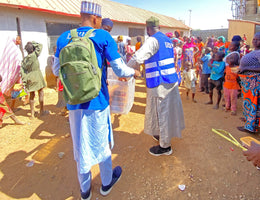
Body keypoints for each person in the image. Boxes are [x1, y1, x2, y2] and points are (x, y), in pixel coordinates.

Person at [53, 1, 140, 199]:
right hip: (97, 102)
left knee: (80, 145)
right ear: (95, 18)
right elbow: (119, 69)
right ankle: (106, 184)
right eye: (100, 19)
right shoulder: (102, 36)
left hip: (74, 104)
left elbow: (56, 70)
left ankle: (85, 191)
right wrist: (133, 72)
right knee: (102, 145)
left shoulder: (63, 38)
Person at [127, 16, 185, 156]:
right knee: (163, 111)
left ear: (148, 29)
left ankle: (165, 147)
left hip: (160, 82)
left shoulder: (152, 40)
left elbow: (137, 58)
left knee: (162, 113)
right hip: (170, 80)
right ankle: (161, 135)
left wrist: (125, 71)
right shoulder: (167, 40)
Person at [237, 32, 260, 133]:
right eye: (254, 39)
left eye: (257, 39)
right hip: (248, 83)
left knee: (254, 103)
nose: (255, 41)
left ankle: (250, 127)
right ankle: (249, 119)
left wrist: (245, 67)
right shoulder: (255, 51)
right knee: (248, 103)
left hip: (255, 83)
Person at [20, 41, 49, 118]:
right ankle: (41, 111)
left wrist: (24, 80)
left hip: (29, 77)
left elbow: (22, 70)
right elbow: (40, 45)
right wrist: (32, 42)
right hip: (37, 76)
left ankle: (32, 114)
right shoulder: (34, 55)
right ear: (32, 49)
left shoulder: (24, 60)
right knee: (41, 93)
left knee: (32, 95)